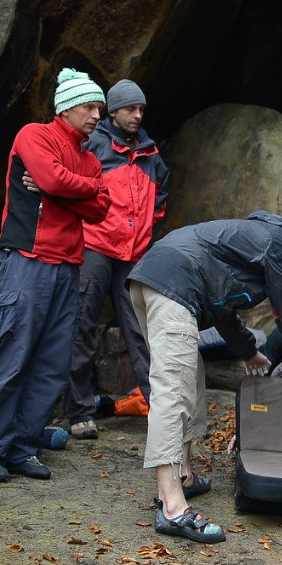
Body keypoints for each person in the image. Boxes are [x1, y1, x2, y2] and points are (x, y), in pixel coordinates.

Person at [126, 210, 282, 544]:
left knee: (190, 384)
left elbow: (222, 310)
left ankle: (184, 475)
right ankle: (172, 507)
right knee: (172, 392)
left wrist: (248, 352)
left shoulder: (250, 240)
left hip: (154, 279)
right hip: (174, 284)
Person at [0, 69, 112, 484]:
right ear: (66, 108)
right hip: (26, 261)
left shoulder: (90, 158)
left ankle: (22, 448)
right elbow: (53, 178)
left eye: (99, 107)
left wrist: (57, 190)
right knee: (12, 356)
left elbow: (102, 208)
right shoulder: (35, 135)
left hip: (67, 268)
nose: (97, 115)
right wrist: (69, 188)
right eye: (89, 107)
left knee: (50, 364)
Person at [65, 79, 170, 440]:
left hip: (133, 255)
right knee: (82, 326)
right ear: (113, 111)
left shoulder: (151, 153)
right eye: (130, 109)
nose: (137, 115)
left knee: (141, 330)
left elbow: (161, 201)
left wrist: (141, 233)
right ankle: (79, 411)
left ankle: (159, 408)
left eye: (141, 109)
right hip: (94, 247)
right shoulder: (92, 145)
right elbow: (71, 188)